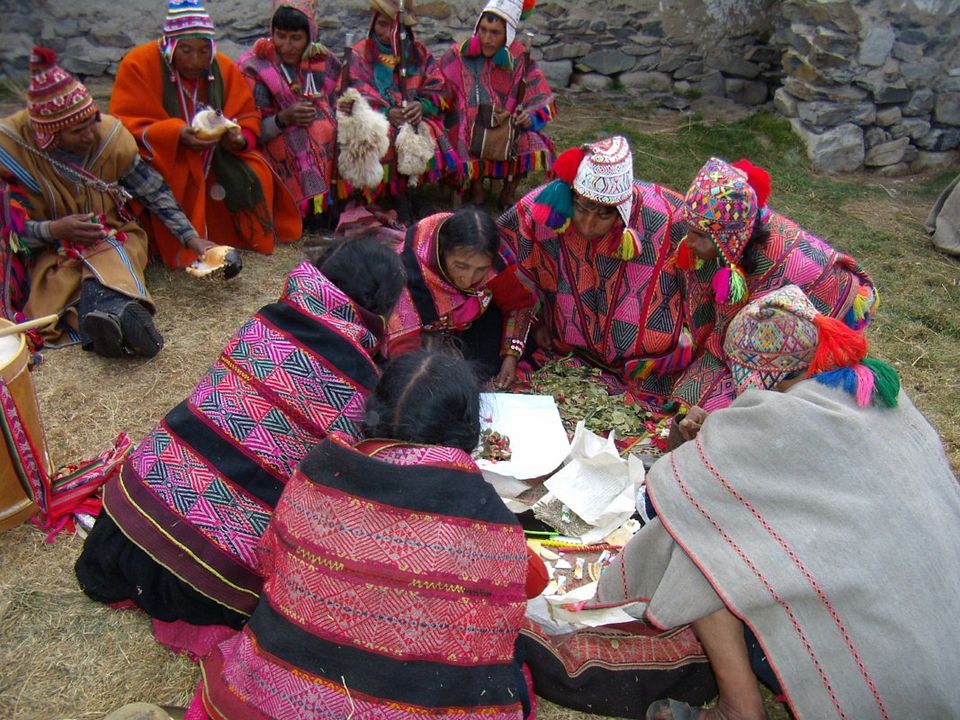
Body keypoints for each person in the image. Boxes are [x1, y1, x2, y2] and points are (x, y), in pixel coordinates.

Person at [596, 285, 960, 720]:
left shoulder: (778, 420)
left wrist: (693, 447)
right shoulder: (880, 396)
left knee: (700, 540)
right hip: (943, 631)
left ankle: (739, 708)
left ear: (761, 374)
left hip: (887, 671)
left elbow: (672, 505)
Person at [74, 237, 405, 627]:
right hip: (210, 571)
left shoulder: (268, 319)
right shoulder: (359, 381)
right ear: (381, 304)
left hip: (132, 516)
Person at [193, 351, 535, 719]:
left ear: (374, 411)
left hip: (272, 697)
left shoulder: (320, 471)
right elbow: (502, 612)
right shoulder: (488, 521)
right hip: (407, 705)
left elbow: (269, 561)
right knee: (512, 670)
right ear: (469, 430)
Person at [0, 47, 207, 357]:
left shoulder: (110, 138)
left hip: (111, 233)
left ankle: (109, 319)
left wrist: (192, 238)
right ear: (48, 135)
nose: (89, 134)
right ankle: (113, 320)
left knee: (114, 255)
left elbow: (152, 191)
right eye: (76, 131)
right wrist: (55, 229)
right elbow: (8, 228)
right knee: (57, 289)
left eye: (91, 121)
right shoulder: (12, 154)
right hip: (45, 247)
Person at [496, 136, 691, 412]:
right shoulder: (545, 210)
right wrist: (524, 335)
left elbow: (708, 287)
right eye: (582, 207)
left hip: (647, 372)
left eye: (603, 214)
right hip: (565, 355)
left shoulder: (668, 219)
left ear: (623, 212)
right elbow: (507, 270)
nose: (587, 224)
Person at [670, 156, 878, 413]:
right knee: (686, 401)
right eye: (689, 229)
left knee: (732, 413)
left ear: (731, 239)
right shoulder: (726, 250)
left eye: (700, 235)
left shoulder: (796, 266)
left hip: (802, 334)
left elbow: (845, 306)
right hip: (748, 334)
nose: (688, 242)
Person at [110, 0, 302, 270]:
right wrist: (176, 134)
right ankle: (181, 245)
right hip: (164, 153)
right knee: (178, 175)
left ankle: (232, 238)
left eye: (203, 51)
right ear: (169, 46)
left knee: (256, 170)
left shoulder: (221, 67)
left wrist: (238, 138)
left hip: (217, 153)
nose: (195, 60)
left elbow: (247, 116)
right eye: (185, 50)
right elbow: (126, 122)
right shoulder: (139, 64)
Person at [338, 205, 535, 383]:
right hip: (423, 335)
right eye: (461, 266)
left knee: (498, 356)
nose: (468, 279)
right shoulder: (409, 273)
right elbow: (404, 346)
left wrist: (511, 356)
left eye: (480, 269)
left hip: (465, 325)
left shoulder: (494, 262)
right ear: (443, 251)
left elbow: (518, 304)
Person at [343, 0, 457, 218]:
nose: (387, 33)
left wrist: (421, 106)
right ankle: (385, 194)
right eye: (382, 25)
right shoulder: (360, 54)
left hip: (411, 118)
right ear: (373, 23)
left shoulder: (419, 53)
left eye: (395, 27)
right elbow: (352, 95)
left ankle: (410, 190)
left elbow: (439, 88)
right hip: (372, 118)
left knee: (427, 132)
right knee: (382, 133)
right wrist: (384, 113)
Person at [440, 0, 555, 208]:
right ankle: (477, 191)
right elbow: (442, 88)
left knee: (531, 141)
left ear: (507, 35)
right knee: (466, 136)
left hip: (507, 126)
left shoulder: (520, 57)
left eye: (495, 33)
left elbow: (539, 95)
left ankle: (507, 193)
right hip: (471, 124)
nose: (486, 38)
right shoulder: (459, 54)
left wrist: (528, 116)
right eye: (482, 30)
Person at [237, 0, 341, 230]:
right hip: (270, 141)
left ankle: (331, 203)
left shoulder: (322, 62)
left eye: (295, 38)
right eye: (280, 36)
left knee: (329, 130)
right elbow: (250, 126)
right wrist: (283, 118)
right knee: (300, 138)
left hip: (319, 140)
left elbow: (337, 103)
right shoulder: (255, 67)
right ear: (271, 32)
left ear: (309, 37)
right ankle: (301, 212)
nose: (287, 45)